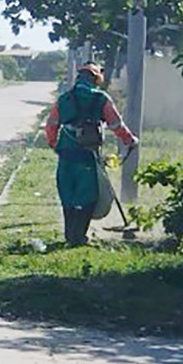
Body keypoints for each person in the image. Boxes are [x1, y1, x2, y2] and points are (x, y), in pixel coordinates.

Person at [45, 62, 137, 246]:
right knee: (87, 196)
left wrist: (55, 144)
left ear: (78, 78)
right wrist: (130, 140)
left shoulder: (64, 99)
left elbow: (51, 125)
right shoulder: (101, 99)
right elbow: (116, 125)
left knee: (67, 194)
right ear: (96, 79)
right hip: (88, 155)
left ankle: (69, 235)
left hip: (66, 155)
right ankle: (79, 236)